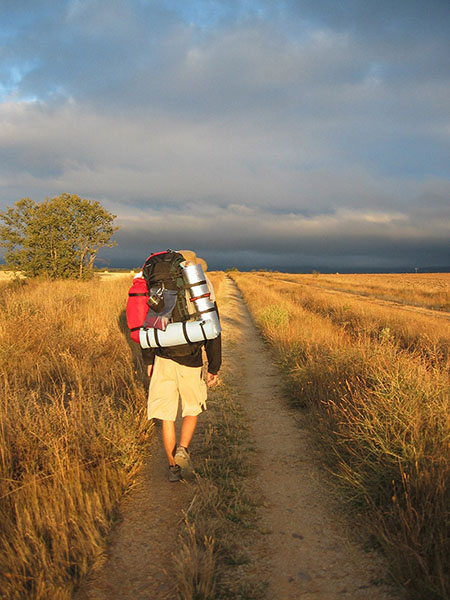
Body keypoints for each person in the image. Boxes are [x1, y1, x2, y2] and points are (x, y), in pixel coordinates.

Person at [141, 250, 222, 482]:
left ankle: (173, 468)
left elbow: (149, 323)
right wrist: (214, 366)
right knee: (192, 408)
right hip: (192, 357)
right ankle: (183, 449)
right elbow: (213, 330)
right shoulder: (200, 286)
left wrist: (148, 360)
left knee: (167, 417)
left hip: (162, 356)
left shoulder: (159, 286)